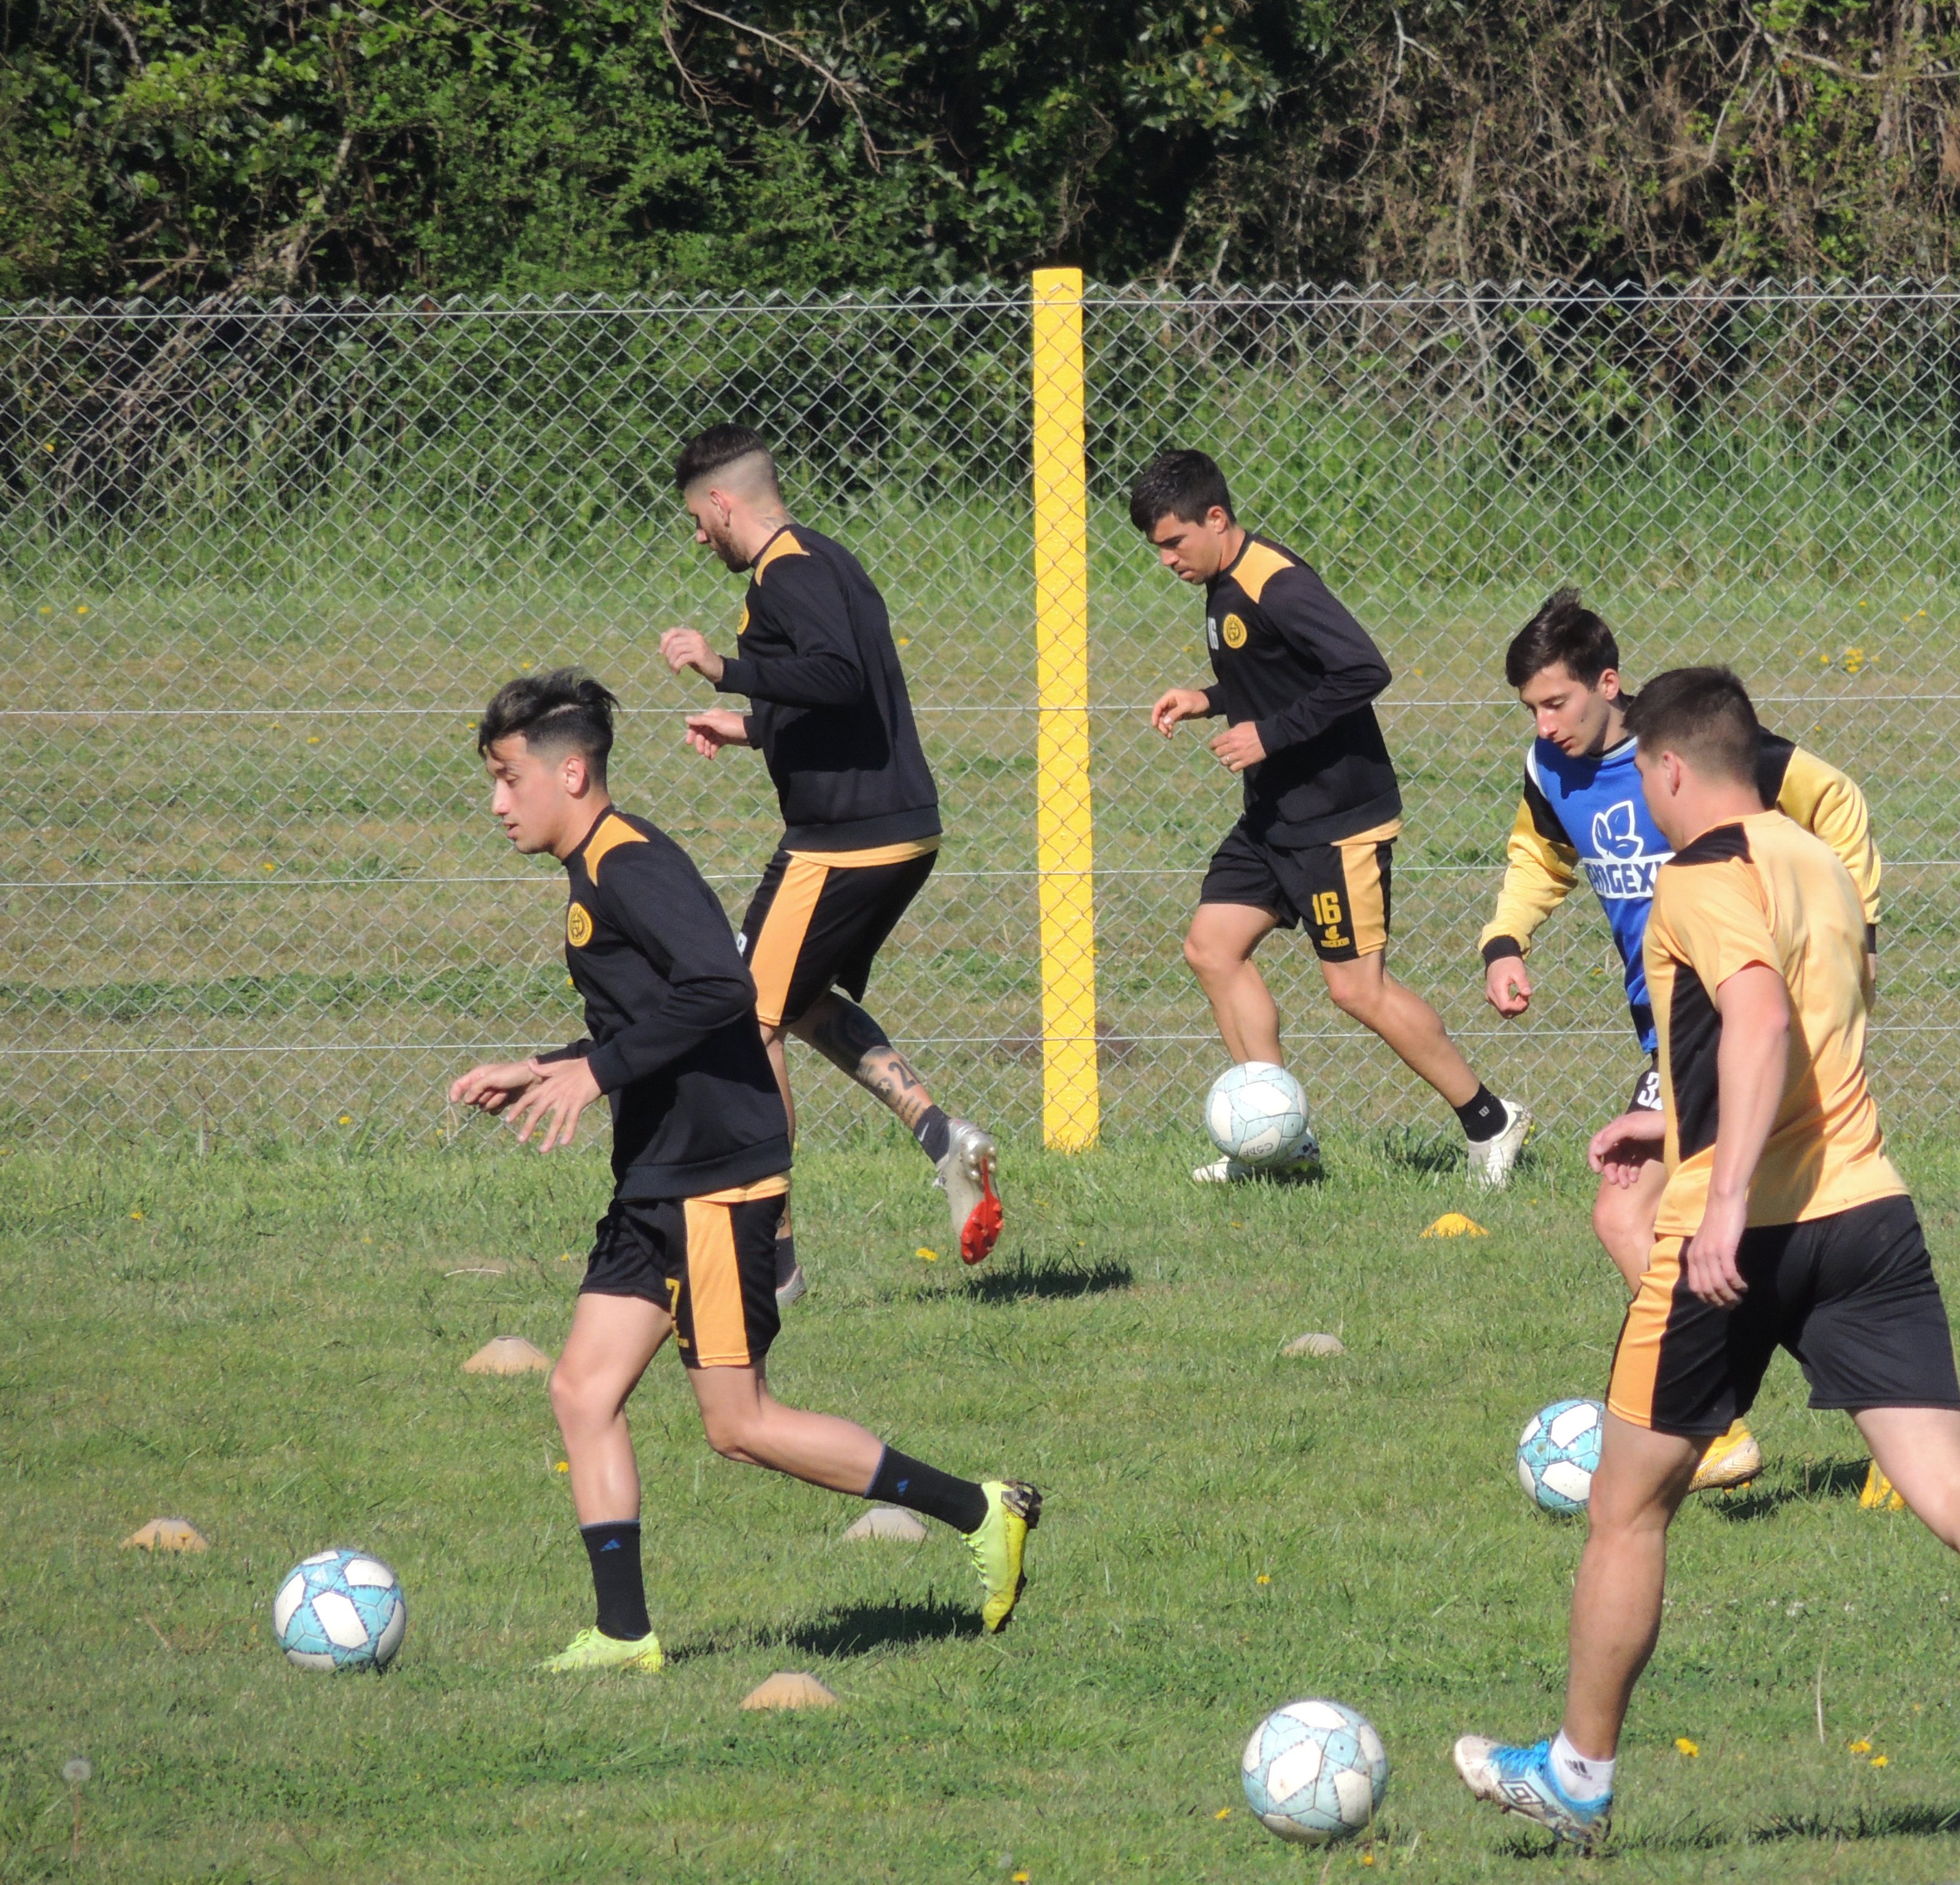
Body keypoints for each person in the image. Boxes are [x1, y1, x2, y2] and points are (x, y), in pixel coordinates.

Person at [1453, 666, 1960, 1850]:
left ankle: (1578, 1773)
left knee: (1628, 1507)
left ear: (1673, 767)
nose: (1639, 798)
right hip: (1864, 1207)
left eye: (1642, 777)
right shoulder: (1816, 858)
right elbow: (1809, 1022)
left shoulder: (1698, 874)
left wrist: (1721, 1188)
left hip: (1732, 1234)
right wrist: (1676, 1121)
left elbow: (1758, 1016)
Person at [448, 669, 1040, 1673]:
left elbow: (723, 988)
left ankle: (981, 1510)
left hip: (716, 1177)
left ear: (572, 772)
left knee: (740, 1422)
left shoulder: (630, 862)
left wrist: (593, 1073)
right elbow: (648, 1017)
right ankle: (623, 1633)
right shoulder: (592, 872)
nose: (497, 802)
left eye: (509, 779)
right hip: (655, 1175)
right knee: (582, 1391)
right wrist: (550, 1065)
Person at [1478, 588, 1891, 1500]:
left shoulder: (1695, 756)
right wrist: (1506, 941)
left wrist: (1855, 931)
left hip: (1733, 1022)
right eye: (1531, 710)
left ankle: (1714, 1431)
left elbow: (1840, 800)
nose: (1546, 725)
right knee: (1800, 1231)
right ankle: (1895, 1442)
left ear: (1608, 683)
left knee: (1628, 1215)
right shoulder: (1550, 776)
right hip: (1675, 1032)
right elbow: (1540, 859)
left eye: (1559, 703)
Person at [659, 423, 1000, 1290]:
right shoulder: (829, 559)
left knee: (746, 1017)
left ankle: (770, 1263)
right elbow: (834, 699)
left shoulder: (788, 575)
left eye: (701, 522)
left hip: (843, 841)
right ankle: (941, 1136)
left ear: (724, 503)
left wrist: (722, 669)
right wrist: (746, 728)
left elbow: (838, 674)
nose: (701, 539)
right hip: (897, 827)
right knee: (798, 1001)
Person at [1133, 447, 1528, 1184]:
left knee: (1356, 989)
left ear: (1215, 519)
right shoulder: (1221, 582)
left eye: (1172, 542)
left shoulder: (1276, 585)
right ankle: (1278, 1141)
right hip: (1276, 814)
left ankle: (1490, 1120)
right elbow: (1277, 673)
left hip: (1336, 818)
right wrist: (1208, 698)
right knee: (1212, 949)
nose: (1166, 560)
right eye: (1157, 548)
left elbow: (1361, 668)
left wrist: (1267, 734)